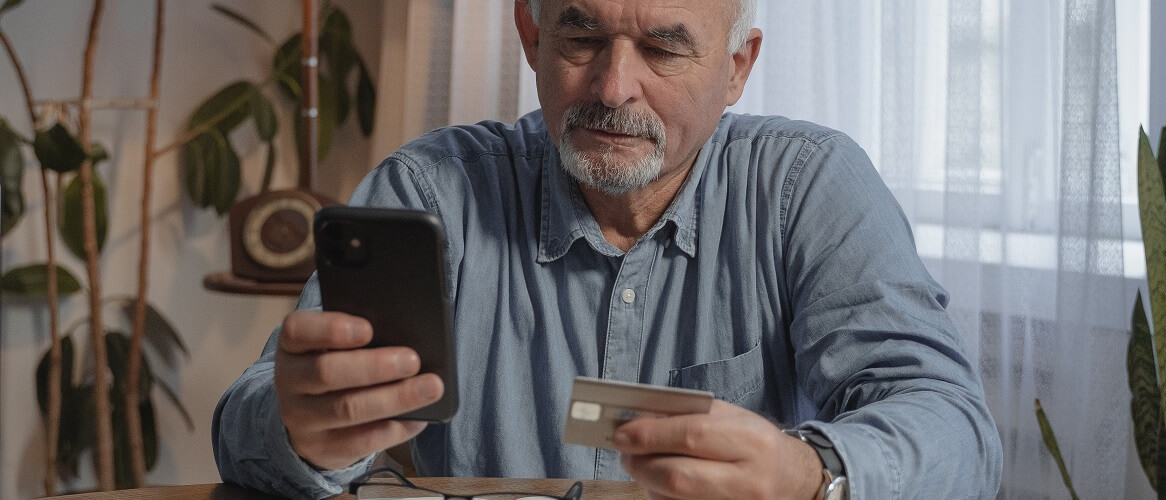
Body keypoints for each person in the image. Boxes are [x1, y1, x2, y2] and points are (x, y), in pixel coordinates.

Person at [213, 0, 1004, 498]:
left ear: (737, 69)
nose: (613, 87)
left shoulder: (807, 186)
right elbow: (244, 423)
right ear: (530, 32)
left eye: (663, 49)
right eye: (582, 34)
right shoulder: (433, 191)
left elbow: (955, 430)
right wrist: (299, 430)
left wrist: (813, 474)